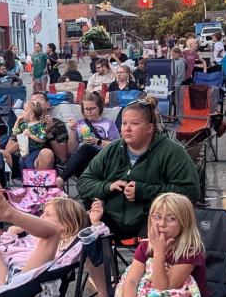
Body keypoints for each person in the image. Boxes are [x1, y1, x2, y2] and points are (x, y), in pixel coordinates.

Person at [76, 100, 201, 239]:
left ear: (149, 128)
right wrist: (108, 187)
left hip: (152, 221)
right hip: (110, 219)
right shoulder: (113, 149)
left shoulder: (171, 152)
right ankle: (96, 261)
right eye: (124, 123)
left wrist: (143, 191)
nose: (127, 129)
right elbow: (83, 182)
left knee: (158, 229)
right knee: (74, 223)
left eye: (134, 124)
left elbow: (190, 192)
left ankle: (149, 260)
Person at [60, 90, 119, 183]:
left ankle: (61, 178)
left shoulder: (108, 123)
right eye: (86, 109)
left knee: (86, 148)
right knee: (83, 155)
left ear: (99, 108)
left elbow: (117, 146)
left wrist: (97, 142)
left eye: (92, 108)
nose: (89, 112)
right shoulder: (79, 124)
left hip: (103, 159)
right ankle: (87, 194)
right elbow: (71, 150)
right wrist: (72, 131)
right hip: (82, 161)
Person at [5, 99, 54, 172]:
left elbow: (42, 139)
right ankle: (24, 180)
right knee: (21, 162)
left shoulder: (39, 125)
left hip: (36, 149)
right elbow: (15, 132)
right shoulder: (24, 124)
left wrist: (30, 135)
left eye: (24, 111)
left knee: (29, 162)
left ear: (31, 115)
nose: (22, 113)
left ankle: (32, 178)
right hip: (25, 148)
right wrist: (17, 121)